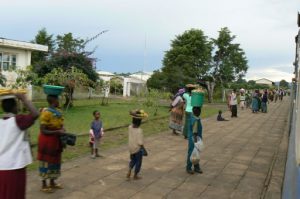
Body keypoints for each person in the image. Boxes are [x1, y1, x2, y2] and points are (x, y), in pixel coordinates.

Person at [0, 93, 39, 199]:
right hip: (15, 167)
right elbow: (35, 114)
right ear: (14, 107)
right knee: (15, 194)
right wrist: (24, 99)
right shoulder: (18, 120)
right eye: (17, 105)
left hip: (2, 167)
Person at [37, 95, 65, 193]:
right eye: (57, 99)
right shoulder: (46, 113)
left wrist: (62, 129)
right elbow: (43, 130)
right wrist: (57, 132)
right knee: (45, 162)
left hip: (56, 141)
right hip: (46, 141)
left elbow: (61, 124)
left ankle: (52, 182)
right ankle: (44, 185)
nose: (59, 100)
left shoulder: (59, 112)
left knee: (55, 161)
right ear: (53, 100)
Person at [127, 109, 148, 180]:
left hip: (131, 148)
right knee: (138, 161)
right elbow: (140, 143)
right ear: (140, 122)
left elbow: (133, 115)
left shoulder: (129, 127)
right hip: (137, 149)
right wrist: (144, 149)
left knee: (133, 160)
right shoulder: (139, 131)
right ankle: (135, 175)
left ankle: (129, 170)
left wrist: (135, 113)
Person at [186, 106, 203, 174]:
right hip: (194, 139)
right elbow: (195, 132)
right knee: (192, 153)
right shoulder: (195, 120)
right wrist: (196, 142)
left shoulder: (192, 117)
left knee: (195, 154)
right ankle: (189, 167)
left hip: (192, 138)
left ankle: (196, 166)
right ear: (199, 112)